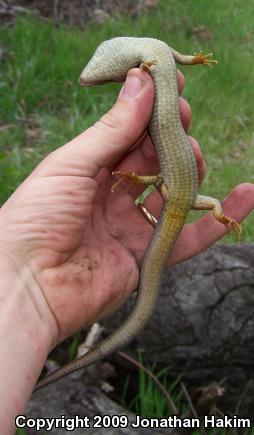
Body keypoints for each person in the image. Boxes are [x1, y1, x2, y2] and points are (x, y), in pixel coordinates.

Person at [0, 68, 253, 434]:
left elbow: (163, 182)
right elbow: (175, 186)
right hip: (180, 196)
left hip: (174, 194)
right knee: (210, 199)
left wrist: (22, 287)